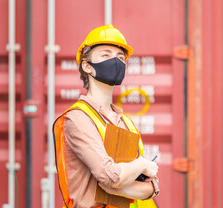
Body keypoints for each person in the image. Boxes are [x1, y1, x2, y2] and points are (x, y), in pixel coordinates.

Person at [53, 25, 160, 208]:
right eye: (106, 55)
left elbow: (152, 186)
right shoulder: (78, 119)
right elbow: (110, 176)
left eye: (120, 57)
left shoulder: (126, 123)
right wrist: (141, 165)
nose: (116, 61)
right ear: (87, 66)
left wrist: (117, 189)